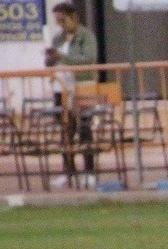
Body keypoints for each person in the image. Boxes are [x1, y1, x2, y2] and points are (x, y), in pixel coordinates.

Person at [44, 2, 97, 189]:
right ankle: (69, 172)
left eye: (62, 19)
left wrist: (62, 57)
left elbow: (88, 59)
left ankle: (90, 172)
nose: (60, 24)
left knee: (84, 129)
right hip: (62, 88)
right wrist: (50, 58)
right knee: (65, 132)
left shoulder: (85, 36)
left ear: (73, 17)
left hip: (82, 85)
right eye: (57, 20)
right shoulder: (58, 38)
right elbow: (53, 59)